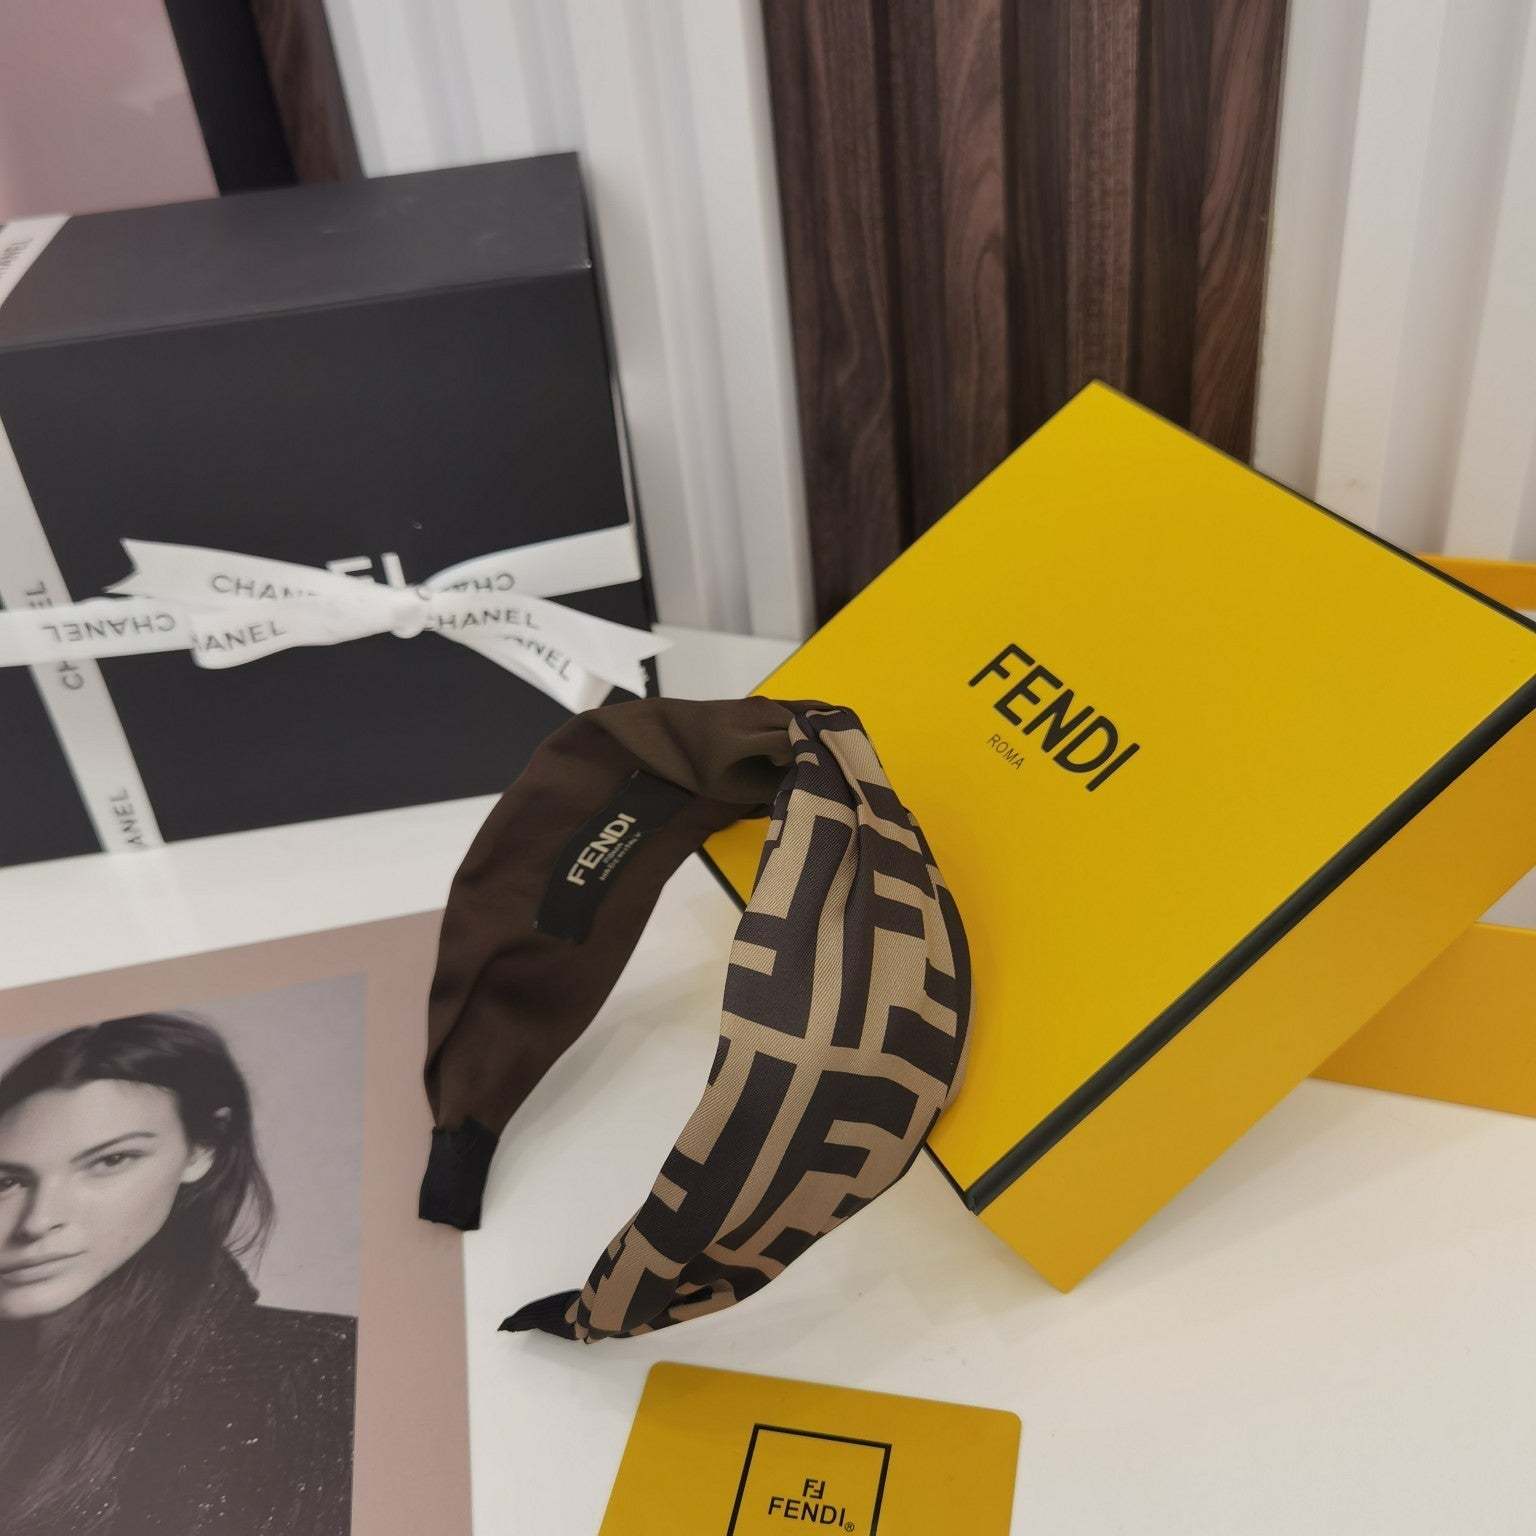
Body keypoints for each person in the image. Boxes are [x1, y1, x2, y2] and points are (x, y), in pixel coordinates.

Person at [0, 1014, 356, 1536]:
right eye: (7, 1181)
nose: (37, 1221)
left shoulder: (315, 1368)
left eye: (110, 1161)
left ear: (202, 1148)